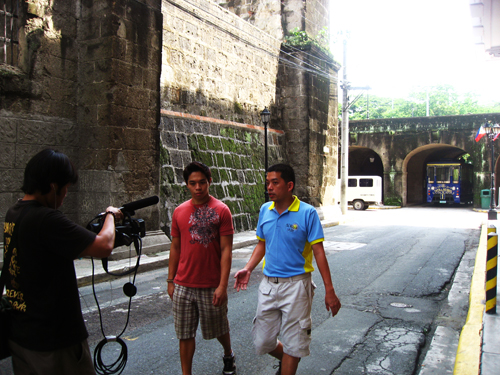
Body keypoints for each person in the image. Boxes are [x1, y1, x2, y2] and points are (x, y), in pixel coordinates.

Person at [2, 148, 123, 375]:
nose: (66, 194)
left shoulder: (14, 212)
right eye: (65, 188)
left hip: (22, 333)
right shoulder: (46, 218)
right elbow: (104, 245)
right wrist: (109, 214)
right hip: (54, 341)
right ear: (53, 186)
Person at [234, 164, 341, 375]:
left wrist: (330, 290)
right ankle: (288, 362)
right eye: (268, 183)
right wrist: (248, 268)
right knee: (263, 340)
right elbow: (262, 244)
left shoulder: (307, 213)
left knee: (295, 343)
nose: (269, 188)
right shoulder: (266, 210)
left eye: (275, 182)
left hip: (297, 286)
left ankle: (289, 364)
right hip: (268, 285)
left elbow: (319, 252)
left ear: (289, 185)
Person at [167, 161, 236, 375]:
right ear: (187, 185)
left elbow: (226, 250)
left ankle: (228, 354)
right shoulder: (179, 212)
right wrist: (170, 281)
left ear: (210, 182)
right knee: (185, 335)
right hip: (183, 285)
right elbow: (175, 248)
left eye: (202, 183)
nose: (198, 187)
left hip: (211, 285)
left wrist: (223, 285)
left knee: (219, 328)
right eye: (193, 183)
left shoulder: (222, 211)